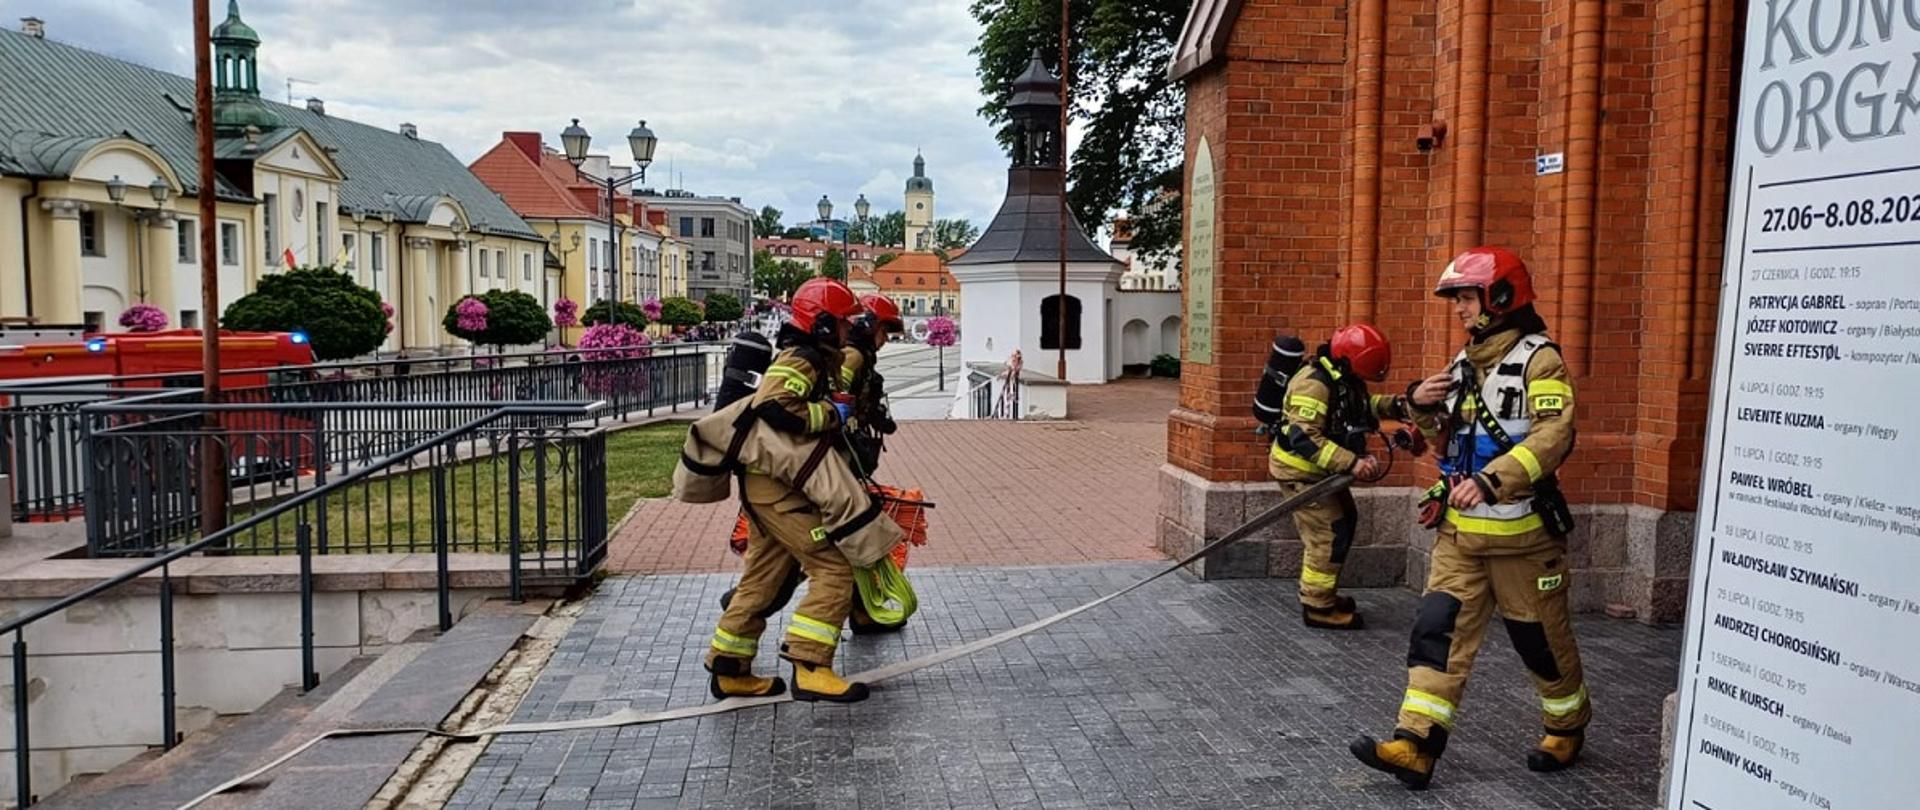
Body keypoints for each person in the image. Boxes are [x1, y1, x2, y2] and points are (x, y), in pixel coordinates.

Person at [1351, 246, 1587, 789]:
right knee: (1435, 634)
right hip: (1460, 538)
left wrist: (1491, 480)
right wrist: (1421, 405)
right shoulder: (1464, 363)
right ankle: (1415, 745)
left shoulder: (1541, 361)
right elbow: (1442, 440)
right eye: (1456, 298)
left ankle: (1566, 724)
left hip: (1523, 539)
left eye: (1466, 297)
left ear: (1500, 296)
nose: (1458, 308)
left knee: (1540, 641)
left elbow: (1555, 436)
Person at [705, 277, 874, 703]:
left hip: (767, 485)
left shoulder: (811, 355)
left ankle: (729, 668)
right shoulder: (802, 358)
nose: (848, 329)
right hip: (780, 490)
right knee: (834, 567)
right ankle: (811, 666)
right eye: (842, 322)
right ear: (821, 322)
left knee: (764, 577)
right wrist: (831, 414)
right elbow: (774, 404)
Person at [718, 292, 907, 635]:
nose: (884, 339)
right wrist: (838, 413)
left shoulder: (841, 356)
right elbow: (791, 404)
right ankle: (806, 643)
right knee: (836, 554)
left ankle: (738, 635)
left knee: (800, 556)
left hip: (803, 473)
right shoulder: (840, 358)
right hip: (804, 475)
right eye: (884, 330)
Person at [1269, 324, 1440, 630]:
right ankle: (1318, 606)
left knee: (1345, 521)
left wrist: (1401, 405)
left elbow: (1363, 407)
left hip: (1322, 473)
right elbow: (1303, 436)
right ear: (1351, 361)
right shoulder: (1314, 384)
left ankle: (1323, 595)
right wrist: (1352, 463)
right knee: (1329, 535)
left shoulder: (1342, 379)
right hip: (1301, 473)